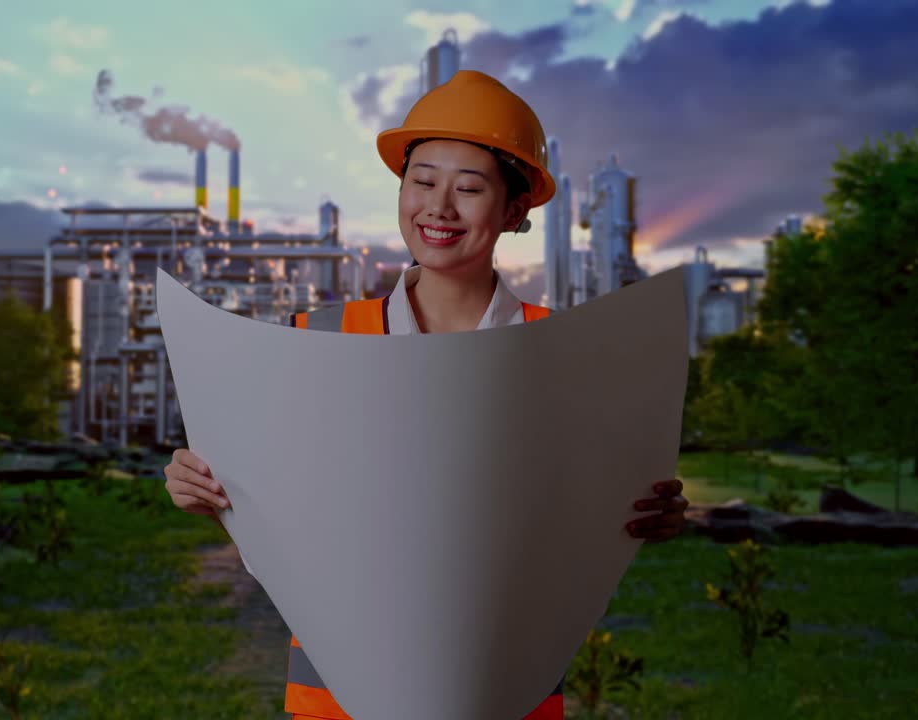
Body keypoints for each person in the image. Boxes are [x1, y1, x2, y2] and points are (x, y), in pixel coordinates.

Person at [164, 70, 688, 720]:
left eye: (469, 188)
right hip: (337, 702)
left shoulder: (560, 354)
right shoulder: (317, 339)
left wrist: (643, 516)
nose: (438, 207)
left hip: (506, 696)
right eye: (422, 180)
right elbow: (280, 509)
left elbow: (586, 504)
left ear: (515, 211)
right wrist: (204, 486)